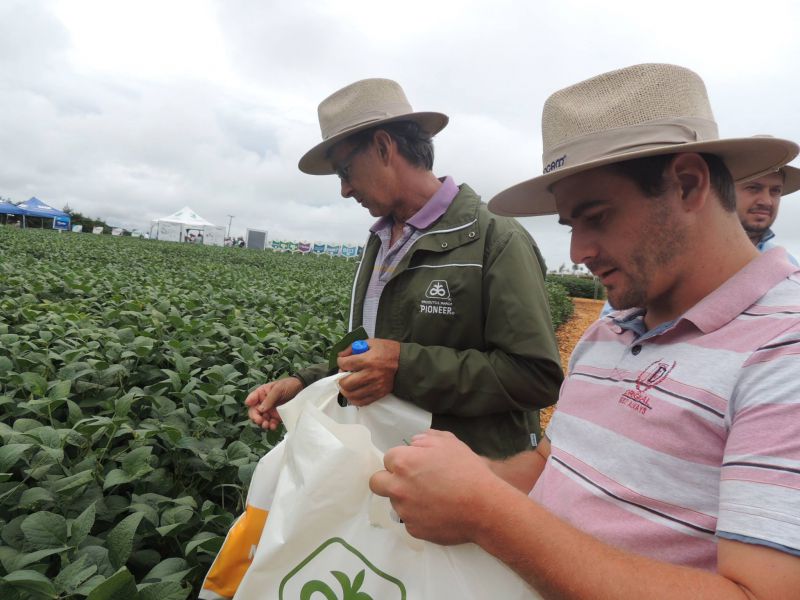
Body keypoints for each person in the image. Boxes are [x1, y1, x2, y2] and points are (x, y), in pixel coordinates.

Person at [370, 64, 800, 598]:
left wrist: (486, 512)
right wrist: (463, 481)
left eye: (596, 217)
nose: (579, 253)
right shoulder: (613, 325)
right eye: (573, 226)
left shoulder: (784, 347)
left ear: (689, 184)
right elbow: (554, 466)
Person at [246, 78, 563, 458]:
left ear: (383, 146)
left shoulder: (494, 237)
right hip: (388, 467)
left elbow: (535, 377)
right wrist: (304, 383)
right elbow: (373, 355)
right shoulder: (380, 240)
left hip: (473, 482)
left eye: (345, 171)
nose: (344, 190)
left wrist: (404, 367)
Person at [736, 164, 799, 264]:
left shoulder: (789, 264)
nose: (767, 201)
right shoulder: (703, 253)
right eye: (753, 188)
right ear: (723, 192)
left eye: (775, 190)